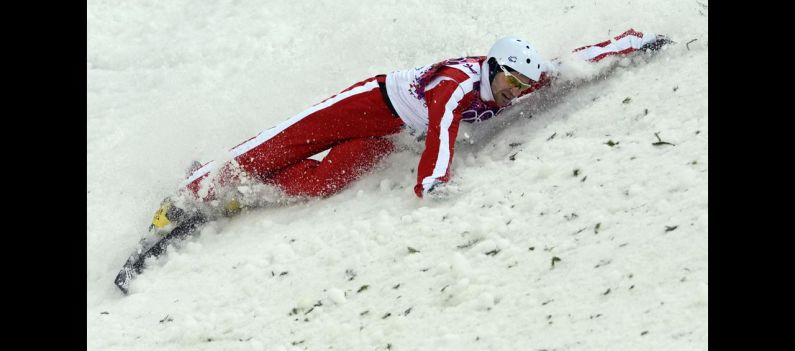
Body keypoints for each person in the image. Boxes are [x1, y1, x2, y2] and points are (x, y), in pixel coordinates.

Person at [149, 28, 670, 235]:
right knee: (283, 143)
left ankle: (243, 194)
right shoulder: (456, 86)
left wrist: (634, 42)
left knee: (328, 178)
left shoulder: (525, 81)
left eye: (521, 84)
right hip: (367, 104)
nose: (516, 92)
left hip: (388, 131)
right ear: (492, 69)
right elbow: (442, 130)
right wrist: (432, 182)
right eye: (510, 81)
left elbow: (574, 60)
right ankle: (191, 191)